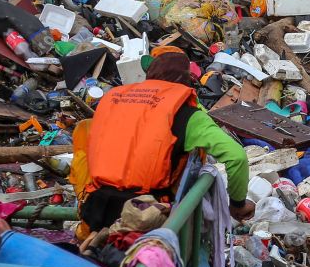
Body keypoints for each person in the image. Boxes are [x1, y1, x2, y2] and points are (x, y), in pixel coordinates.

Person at [71, 46, 253, 232]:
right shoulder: (187, 113)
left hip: (94, 210)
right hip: (147, 217)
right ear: (186, 78)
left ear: (150, 73)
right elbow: (236, 157)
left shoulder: (113, 99)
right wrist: (238, 205)